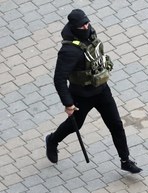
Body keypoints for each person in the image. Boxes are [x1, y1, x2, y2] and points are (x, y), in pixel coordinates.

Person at [46, 9, 141, 173]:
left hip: (102, 90)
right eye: (83, 25)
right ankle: (53, 140)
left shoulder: (89, 35)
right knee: (75, 125)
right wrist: (68, 104)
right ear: (75, 27)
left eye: (87, 22)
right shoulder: (68, 51)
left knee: (116, 125)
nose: (87, 26)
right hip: (82, 96)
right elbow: (59, 79)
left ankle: (125, 160)